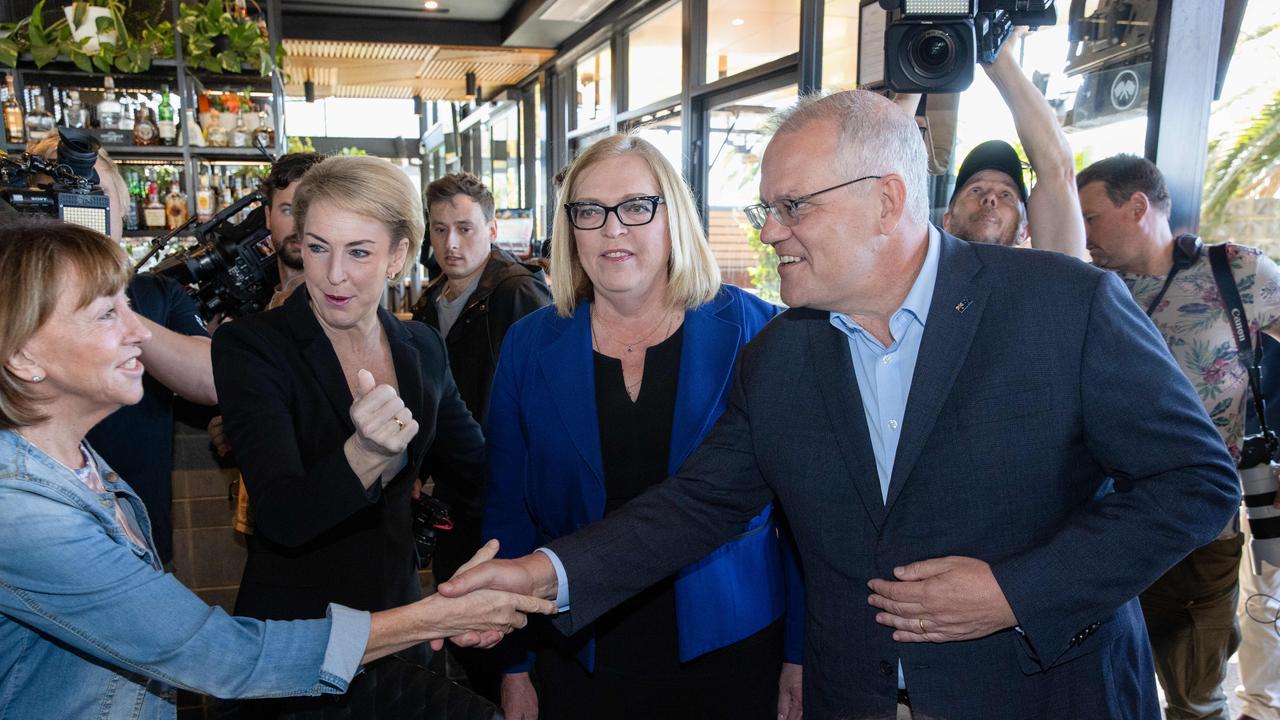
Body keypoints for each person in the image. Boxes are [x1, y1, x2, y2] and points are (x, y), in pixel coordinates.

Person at [440, 90, 1240, 720]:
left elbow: (1196, 484)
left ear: (887, 203)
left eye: (794, 207)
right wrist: (540, 577)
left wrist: (1015, 591)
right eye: (768, 210)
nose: (771, 234)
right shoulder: (783, 352)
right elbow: (694, 508)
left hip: (1040, 694)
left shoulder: (1065, 307)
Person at [0, 219, 555, 720]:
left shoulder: (80, 469)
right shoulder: (22, 512)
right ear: (24, 357)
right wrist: (433, 617)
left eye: (128, 305)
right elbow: (217, 653)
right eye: (106, 315)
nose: (141, 331)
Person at [482, 134, 803, 720]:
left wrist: (801, 654)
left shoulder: (756, 331)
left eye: (636, 206)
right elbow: (508, 510)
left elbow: (802, 517)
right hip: (577, 650)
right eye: (589, 211)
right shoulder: (529, 345)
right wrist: (515, 664)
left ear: (672, 213)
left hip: (733, 650)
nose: (612, 229)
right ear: (570, 227)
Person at [210, 155, 487, 717]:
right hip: (295, 642)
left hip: (398, 629)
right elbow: (283, 517)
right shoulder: (254, 348)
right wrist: (363, 453)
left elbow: (478, 467)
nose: (333, 274)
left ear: (398, 257)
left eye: (358, 251)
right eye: (317, 247)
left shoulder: (423, 349)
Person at [1077, 154, 1280, 720]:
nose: (1084, 232)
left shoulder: (1235, 270)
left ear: (1137, 206)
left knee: (1195, 696)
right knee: (1107, 685)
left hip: (1204, 523)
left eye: (1091, 217)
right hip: (1103, 519)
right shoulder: (1089, 287)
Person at [28, 131, 218, 569]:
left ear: (120, 206)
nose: (81, 209)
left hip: (137, 535)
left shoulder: (156, 293)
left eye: (94, 193)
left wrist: (110, 304)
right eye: (61, 196)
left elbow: (210, 379)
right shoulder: (14, 300)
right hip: (36, 536)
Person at [410, 171, 552, 701]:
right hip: (457, 487)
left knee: (501, 626)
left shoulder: (515, 292)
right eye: (440, 229)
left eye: (465, 229)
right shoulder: (433, 301)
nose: (451, 243)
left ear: (493, 229)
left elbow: (543, 394)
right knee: (463, 617)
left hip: (502, 488)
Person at [207, 151, 327, 535]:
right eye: (289, 209)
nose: (300, 224)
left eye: (312, 209)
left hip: (321, 517)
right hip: (271, 517)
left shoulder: (334, 305)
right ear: (268, 217)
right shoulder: (270, 300)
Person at [900, 28, 1086, 259]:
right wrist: (917, 67)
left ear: (1024, 230)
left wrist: (999, 58)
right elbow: (880, 169)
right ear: (946, 220)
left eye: (1006, 195)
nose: (989, 199)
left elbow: (1057, 170)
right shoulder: (917, 271)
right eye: (975, 189)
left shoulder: (1046, 283)